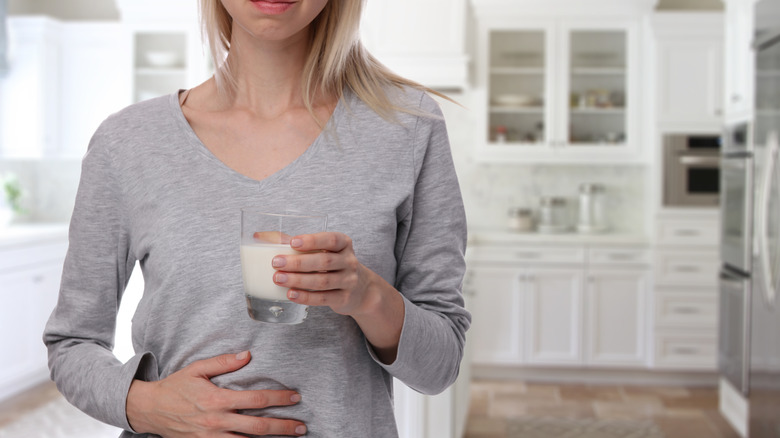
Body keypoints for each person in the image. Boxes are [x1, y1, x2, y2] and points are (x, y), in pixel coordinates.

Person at [43, 0, 470, 436]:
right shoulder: (128, 143)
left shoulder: (407, 128)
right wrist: (145, 404)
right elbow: (71, 344)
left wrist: (366, 295)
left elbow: (439, 367)